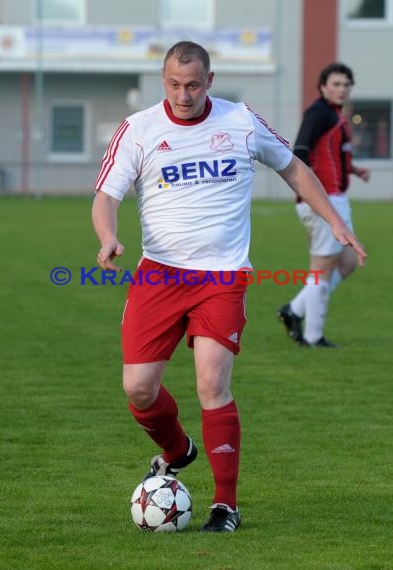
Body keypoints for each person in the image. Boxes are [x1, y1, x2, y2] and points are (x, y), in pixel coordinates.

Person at [92, 43, 366, 532]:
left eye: (194, 84)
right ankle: (178, 450)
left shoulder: (241, 121)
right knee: (138, 388)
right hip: (159, 274)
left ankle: (225, 505)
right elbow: (106, 195)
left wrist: (334, 221)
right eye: (175, 84)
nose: (184, 94)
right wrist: (108, 236)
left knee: (212, 385)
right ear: (163, 80)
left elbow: (293, 168)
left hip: (223, 276)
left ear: (210, 80)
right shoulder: (139, 129)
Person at [278, 62, 370, 347]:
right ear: (323, 87)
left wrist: (353, 170)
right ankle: (313, 336)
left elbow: (329, 154)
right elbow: (301, 151)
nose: (342, 89)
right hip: (324, 200)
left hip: (337, 198)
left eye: (346, 85)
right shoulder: (318, 113)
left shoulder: (334, 114)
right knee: (322, 268)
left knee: (348, 262)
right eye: (336, 84)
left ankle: (294, 309)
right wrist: (308, 195)